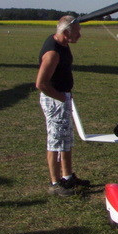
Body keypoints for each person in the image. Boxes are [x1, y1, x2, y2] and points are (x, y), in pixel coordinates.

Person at [36, 15, 90, 196]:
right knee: (55, 140)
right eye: (77, 32)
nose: (79, 35)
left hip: (63, 97)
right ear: (66, 32)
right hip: (54, 100)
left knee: (66, 139)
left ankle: (68, 177)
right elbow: (41, 84)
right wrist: (60, 97)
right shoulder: (52, 53)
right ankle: (55, 183)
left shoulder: (63, 44)